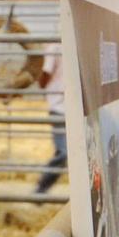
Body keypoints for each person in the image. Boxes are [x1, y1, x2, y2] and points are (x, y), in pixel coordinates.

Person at [33, 51, 67, 194]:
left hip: (75, 110)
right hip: (59, 108)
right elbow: (43, 77)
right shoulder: (54, 48)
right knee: (64, 152)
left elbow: (43, 80)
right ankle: (40, 190)